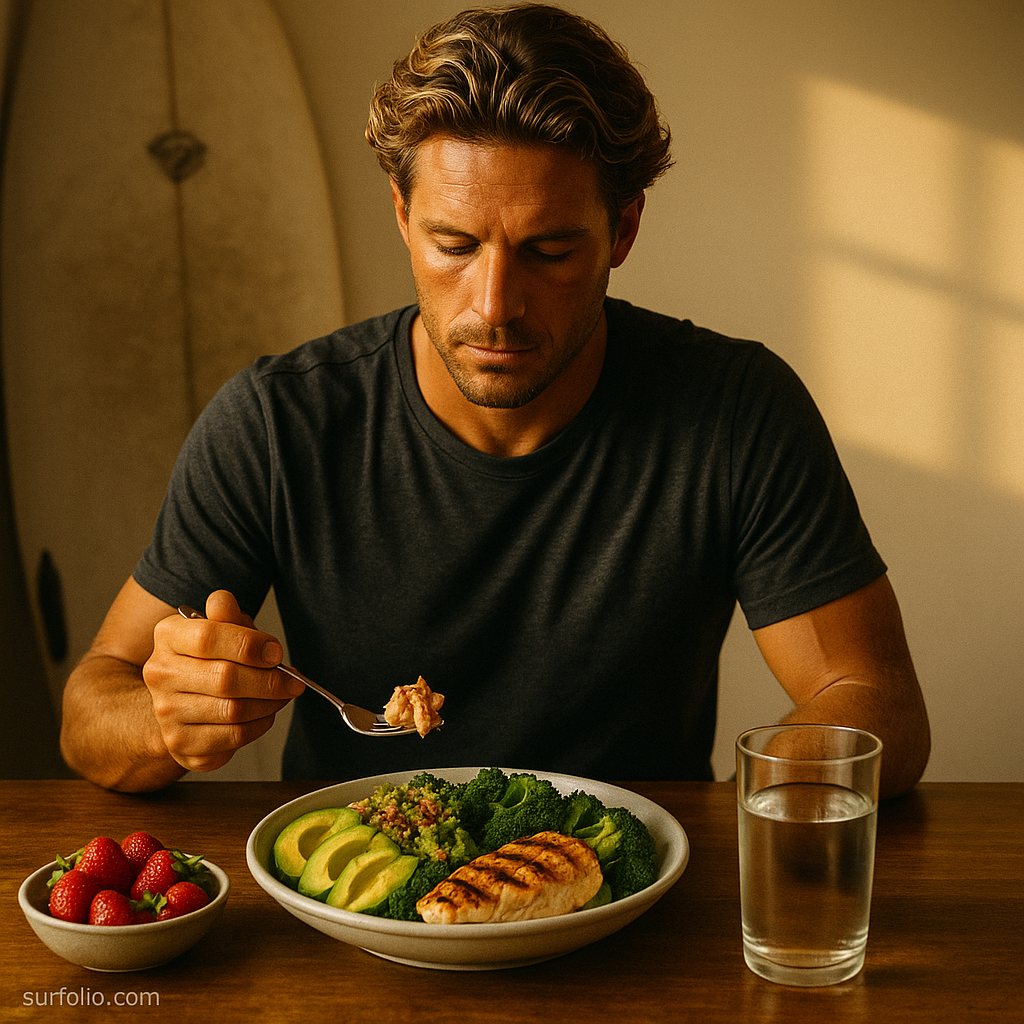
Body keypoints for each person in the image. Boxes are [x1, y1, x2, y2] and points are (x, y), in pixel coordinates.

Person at [60, 3, 929, 796]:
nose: (494, 305)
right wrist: (166, 720)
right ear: (402, 215)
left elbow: (871, 698)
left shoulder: (737, 411)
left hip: (639, 918)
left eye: (549, 251)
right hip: (355, 915)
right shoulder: (277, 423)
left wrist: (749, 804)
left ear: (622, 230)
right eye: (454, 244)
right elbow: (91, 710)